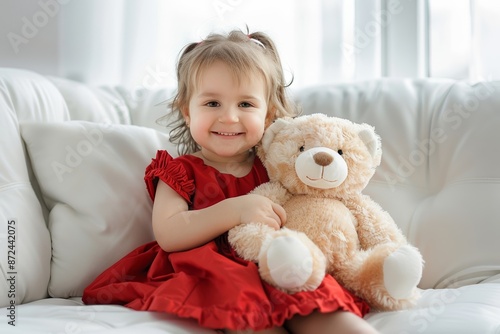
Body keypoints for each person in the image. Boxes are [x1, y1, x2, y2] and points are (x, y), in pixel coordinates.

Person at [83, 29, 379, 334]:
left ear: (268, 116)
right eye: (212, 103)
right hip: (216, 274)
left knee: (325, 309)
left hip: (278, 261)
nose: (229, 118)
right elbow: (169, 233)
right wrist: (235, 211)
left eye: (245, 105)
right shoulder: (180, 171)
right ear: (187, 112)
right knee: (251, 317)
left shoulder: (277, 169)